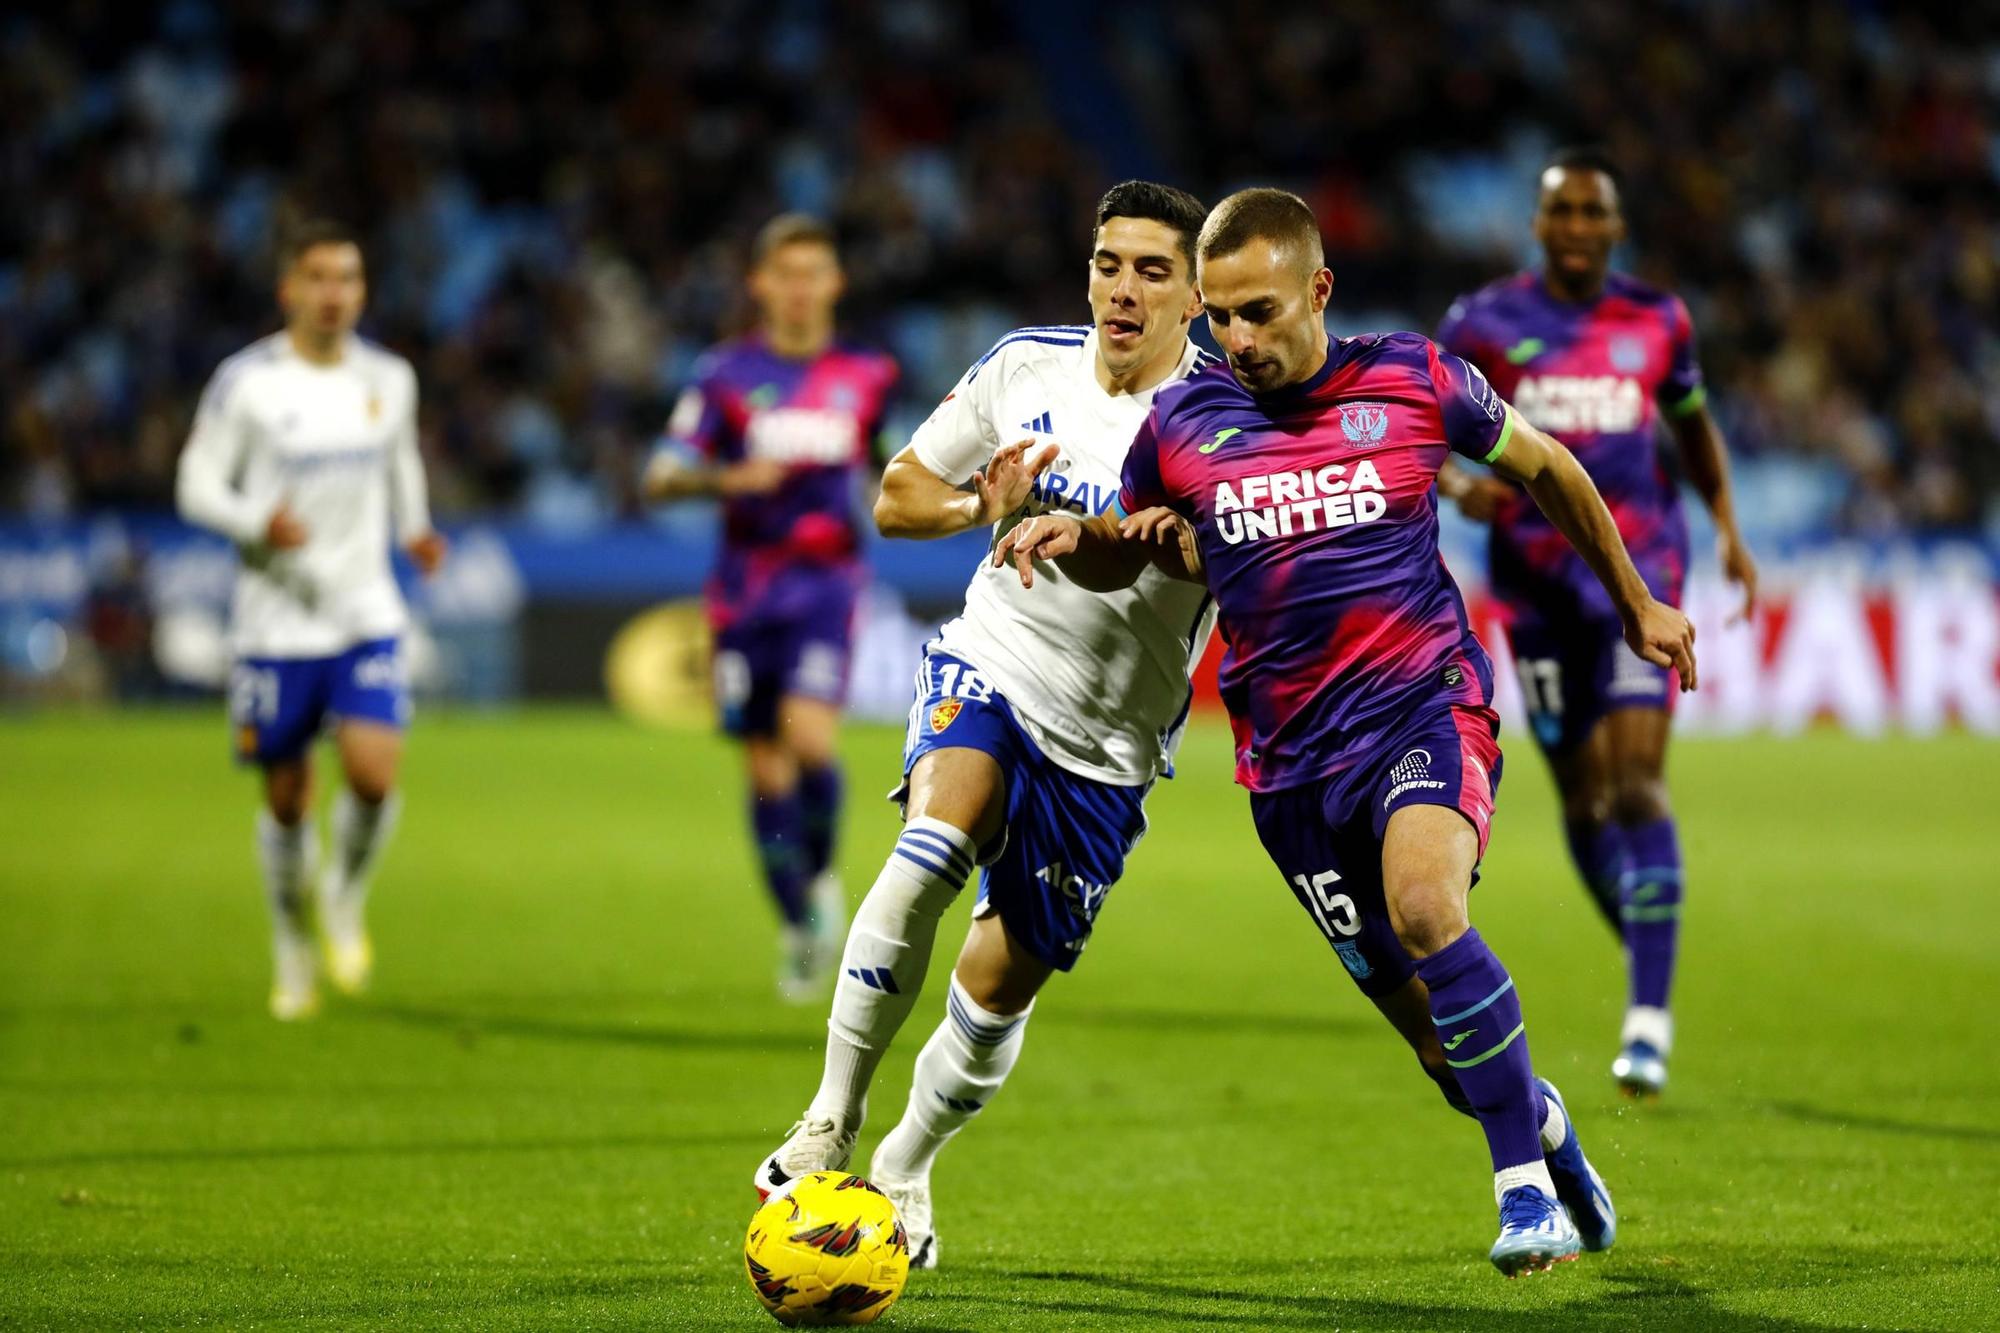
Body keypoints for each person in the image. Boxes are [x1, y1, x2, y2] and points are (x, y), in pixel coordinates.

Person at [998, 188, 1699, 1276]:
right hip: (1287, 770)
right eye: (1219, 316)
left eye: (1259, 312)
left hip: (1423, 705)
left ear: (1317, 290)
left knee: (1428, 903)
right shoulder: (1183, 424)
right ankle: (1543, 1127)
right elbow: (1128, 543)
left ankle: (1521, 1196)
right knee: (1434, 1045)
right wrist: (1068, 531)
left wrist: (1635, 602)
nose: (1237, 340)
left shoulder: (1415, 380)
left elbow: (1549, 469)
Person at [750, 181, 1218, 1270]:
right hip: (992, 661)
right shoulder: (1023, 366)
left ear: (1195, 292)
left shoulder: (1220, 415)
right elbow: (897, 495)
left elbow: (1223, 562)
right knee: (934, 833)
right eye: (1108, 263)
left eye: (1152, 270)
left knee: (999, 981)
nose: (1122, 289)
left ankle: (906, 1163)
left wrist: (1138, 536)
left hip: (1108, 741)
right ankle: (829, 1114)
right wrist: (980, 507)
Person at [1436, 147, 1758, 1097]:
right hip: (1534, 586)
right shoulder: (1482, 324)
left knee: (1636, 786)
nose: (1576, 225)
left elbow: (1693, 429)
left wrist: (1731, 527)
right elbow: (1417, 427)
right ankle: (1647, 940)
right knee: (1581, 801)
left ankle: (1647, 1018)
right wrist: (1461, 484)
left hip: (1642, 571)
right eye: (1560, 210)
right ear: (1538, 224)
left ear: (1615, 226)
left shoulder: (1658, 319)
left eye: (1592, 212)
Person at [176, 219, 445, 1021]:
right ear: (288, 288)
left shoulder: (388, 378)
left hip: (364, 610)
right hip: (275, 625)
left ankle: (343, 893)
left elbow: (399, 459)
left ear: (362, 290)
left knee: (372, 773)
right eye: (319, 277)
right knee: (289, 799)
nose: (335, 294)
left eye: (349, 278)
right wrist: (257, 521)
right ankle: (292, 945)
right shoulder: (247, 382)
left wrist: (414, 527)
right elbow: (196, 483)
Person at [644, 215, 899, 1000]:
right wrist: (722, 480)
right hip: (745, 591)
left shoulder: (869, 374)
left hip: (826, 585)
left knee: (812, 741)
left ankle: (821, 878)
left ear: (834, 283)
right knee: (763, 765)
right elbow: (661, 474)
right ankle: (797, 925)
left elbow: (896, 466)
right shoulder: (724, 374)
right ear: (760, 284)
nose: (798, 289)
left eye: (812, 273)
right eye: (784, 274)